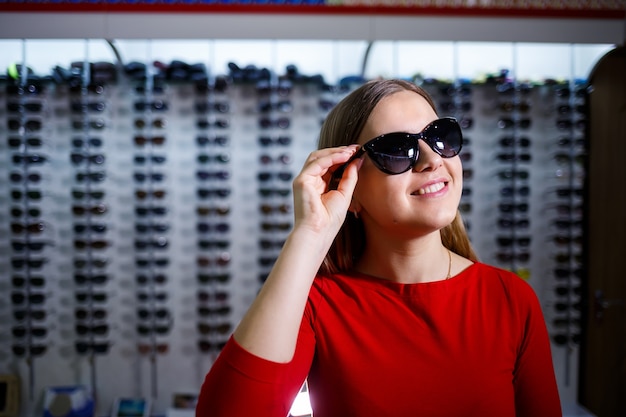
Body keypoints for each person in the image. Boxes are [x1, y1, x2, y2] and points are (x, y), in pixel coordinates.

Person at [196, 79, 562, 416]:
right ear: (348, 187)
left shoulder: (510, 299)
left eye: (440, 136)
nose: (432, 159)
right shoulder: (317, 307)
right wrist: (309, 234)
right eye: (397, 149)